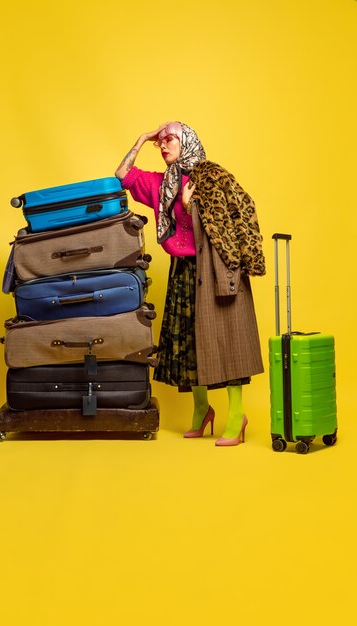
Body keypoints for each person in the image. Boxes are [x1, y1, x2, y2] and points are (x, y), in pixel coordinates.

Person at [115, 122, 265, 446]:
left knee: (227, 341)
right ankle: (202, 411)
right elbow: (121, 174)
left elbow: (234, 214)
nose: (164, 145)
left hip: (214, 268)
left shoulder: (210, 176)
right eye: (161, 140)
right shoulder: (160, 184)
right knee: (188, 344)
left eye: (170, 139)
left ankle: (237, 416)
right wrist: (142, 138)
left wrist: (188, 207)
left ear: (188, 142)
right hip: (182, 270)